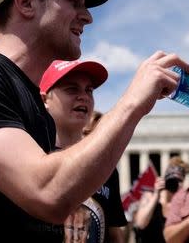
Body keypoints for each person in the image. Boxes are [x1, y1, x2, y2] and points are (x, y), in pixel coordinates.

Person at [0, 0, 189, 242]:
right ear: (25, 3)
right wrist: (133, 101)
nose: (87, 16)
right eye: (74, 2)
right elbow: (47, 192)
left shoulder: (35, 107)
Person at [40, 60, 127, 243]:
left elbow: (114, 233)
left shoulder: (106, 168)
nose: (84, 97)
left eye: (89, 90)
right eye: (72, 89)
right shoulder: (30, 155)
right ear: (44, 99)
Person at [133, 156, 189, 243]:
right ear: (165, 179)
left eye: (180, 181)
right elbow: (140, 224)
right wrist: (156, 194)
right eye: (173, 180)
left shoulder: (183, 202)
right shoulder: (150, 196)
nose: (176, 184)